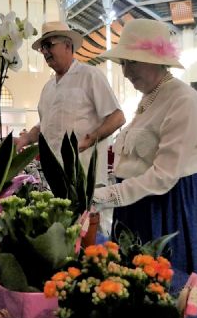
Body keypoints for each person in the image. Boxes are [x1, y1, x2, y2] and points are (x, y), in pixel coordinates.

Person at [92, 19, 197, 295]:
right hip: (143, 205)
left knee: (177, 290)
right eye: (123, 63)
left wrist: (106, 196)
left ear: (156, 61)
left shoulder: (183, 99)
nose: (125, 72)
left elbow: (164, 175)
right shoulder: (149, 99)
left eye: (131, 62)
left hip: (178, 205)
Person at [14, 21, 125, 221]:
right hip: (54, 179)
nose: (45, 51)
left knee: (89, 231)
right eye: (42, 47)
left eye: (49, 45)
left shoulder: (90, 75)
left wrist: (89, 139)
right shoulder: (48, 88)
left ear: (67, 45)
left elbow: (117, 117)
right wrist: (25, 139)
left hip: (84, 181)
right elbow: (44, 125)